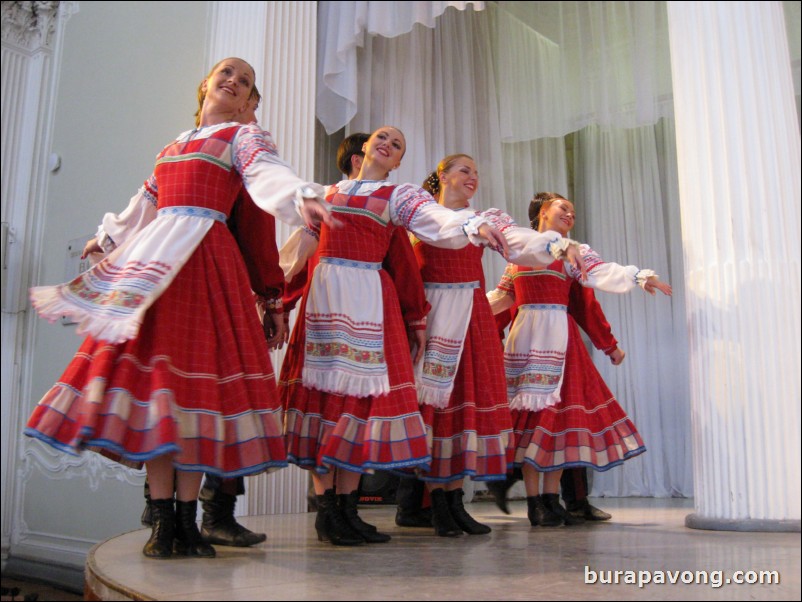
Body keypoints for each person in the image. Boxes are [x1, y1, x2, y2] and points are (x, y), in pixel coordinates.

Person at [26, 57, 333, 559]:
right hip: (158, 265)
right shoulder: (171, 146)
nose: (234, 82)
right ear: (205, 85)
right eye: (227, 73)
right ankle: (162, 522)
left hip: (208, 263)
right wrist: (108, 237)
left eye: (246, 81)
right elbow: (145, 201)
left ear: (248, 99)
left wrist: (300, 196)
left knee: (196, 397)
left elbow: (267, 175)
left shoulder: (244, 138)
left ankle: (188, 522)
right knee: (161, 396)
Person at [279, 126, 586, 546]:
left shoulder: (401, 200)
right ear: (363, 148)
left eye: (398, 144)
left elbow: (424, 243)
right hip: (330, 302)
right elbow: (300, 250)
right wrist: (275, 297)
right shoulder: (325, 193)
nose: (388, 145)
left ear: (401, 162)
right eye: (383, 138)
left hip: (378, 301)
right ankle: (331, 510)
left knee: (360, 407)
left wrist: (529, 238)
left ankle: (358, 508)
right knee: (327, 404)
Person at [487, 192, 672, 527]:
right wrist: (465, 316)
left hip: (560, 340)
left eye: (573, 211)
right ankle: (534, 502)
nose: (570, 214)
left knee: (557, 423)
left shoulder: (575, 254)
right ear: (543, 213)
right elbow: (502, 298)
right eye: (563, 208)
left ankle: (550, 498)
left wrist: (638, 276)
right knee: (531, 423)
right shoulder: (517, 255)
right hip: (525, 343)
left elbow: (601, 273)